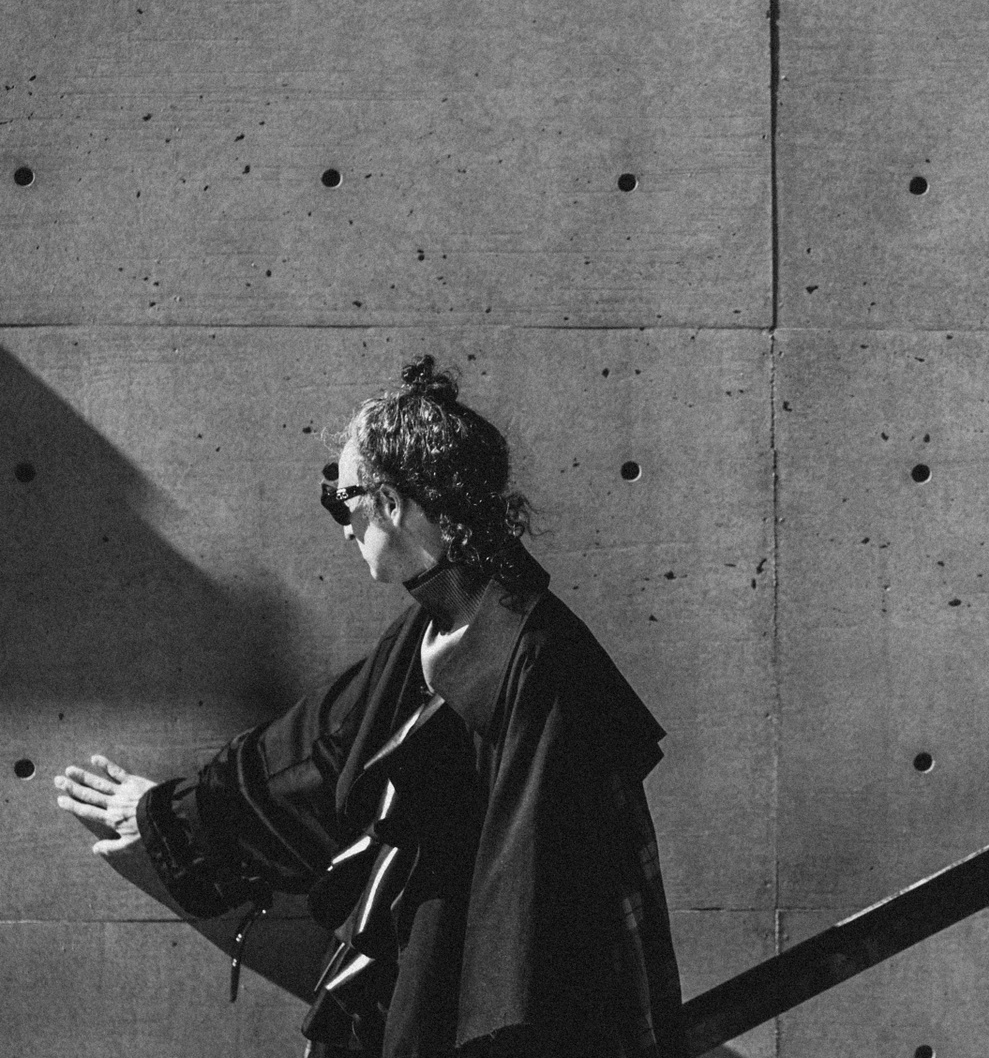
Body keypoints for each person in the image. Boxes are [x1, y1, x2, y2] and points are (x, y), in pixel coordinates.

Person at [53, 355, 688, 1058]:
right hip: (426, 987)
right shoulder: (428, 630)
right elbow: (311, 755)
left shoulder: (537, 657)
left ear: (391, 502)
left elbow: (537, 914)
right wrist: (169, 816)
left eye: (343, 499)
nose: (344, 526)